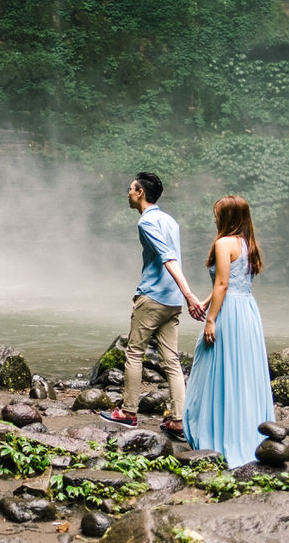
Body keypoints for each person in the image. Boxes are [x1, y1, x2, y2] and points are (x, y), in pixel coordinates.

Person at [101, 172, 205, 438]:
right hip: (171, 301)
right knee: (171, 360)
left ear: (140, 194)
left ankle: (128, 413)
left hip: (154, 297)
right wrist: (182, 297)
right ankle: (178, 421)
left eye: (131, 188)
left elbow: (168, 258)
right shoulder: (170, 220)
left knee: (134, 353)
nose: (128, 192)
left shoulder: (146, 223)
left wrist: (190, 294)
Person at [183, 195, 274, 468]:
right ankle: (247, 432)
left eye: (218, 214)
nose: (214, 218)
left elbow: (223, 285)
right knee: (242, 372)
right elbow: (231, 283)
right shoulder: (247, 244)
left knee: (216, 368)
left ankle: (218, 435)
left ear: (229, 217)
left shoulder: (223, 243)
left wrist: (210, 320)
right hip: (246, 312)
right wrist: (205, 301)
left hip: (229, 313)